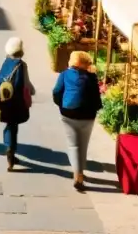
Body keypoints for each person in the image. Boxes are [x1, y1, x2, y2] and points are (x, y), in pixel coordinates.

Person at [53, 51, 103, 191]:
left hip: (69, 114)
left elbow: (57, 92)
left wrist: (62, 105)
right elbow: (96, 97)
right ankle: (80, 171)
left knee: (73, 145)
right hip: (87, 116)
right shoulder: (91, 77)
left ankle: (77, 174)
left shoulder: (64, 75)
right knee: (83, 145)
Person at [0, 37, 35, 170]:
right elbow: (26, 84)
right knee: (12, 126)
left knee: (10, 125)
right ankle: (10, 151)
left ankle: (9, 148)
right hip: (17, 100)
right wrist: (32, 91)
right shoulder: (22, 65)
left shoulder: (6, 62)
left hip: (4, 99)